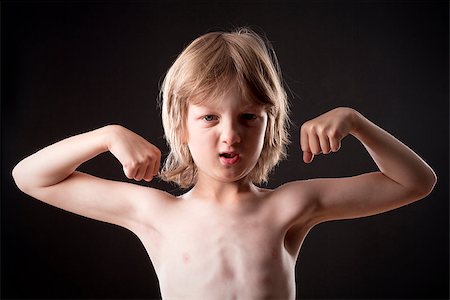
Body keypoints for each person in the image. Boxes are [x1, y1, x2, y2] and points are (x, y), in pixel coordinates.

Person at [12, 27, 436, 299]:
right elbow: (31, 177)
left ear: (270, 125)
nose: (230, 134)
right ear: (181, 125)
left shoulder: (288, 206)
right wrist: (106, 136)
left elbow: (415, 182)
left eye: (248, 117)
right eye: (209, 117)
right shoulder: (157, 213)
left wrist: (356, 123)